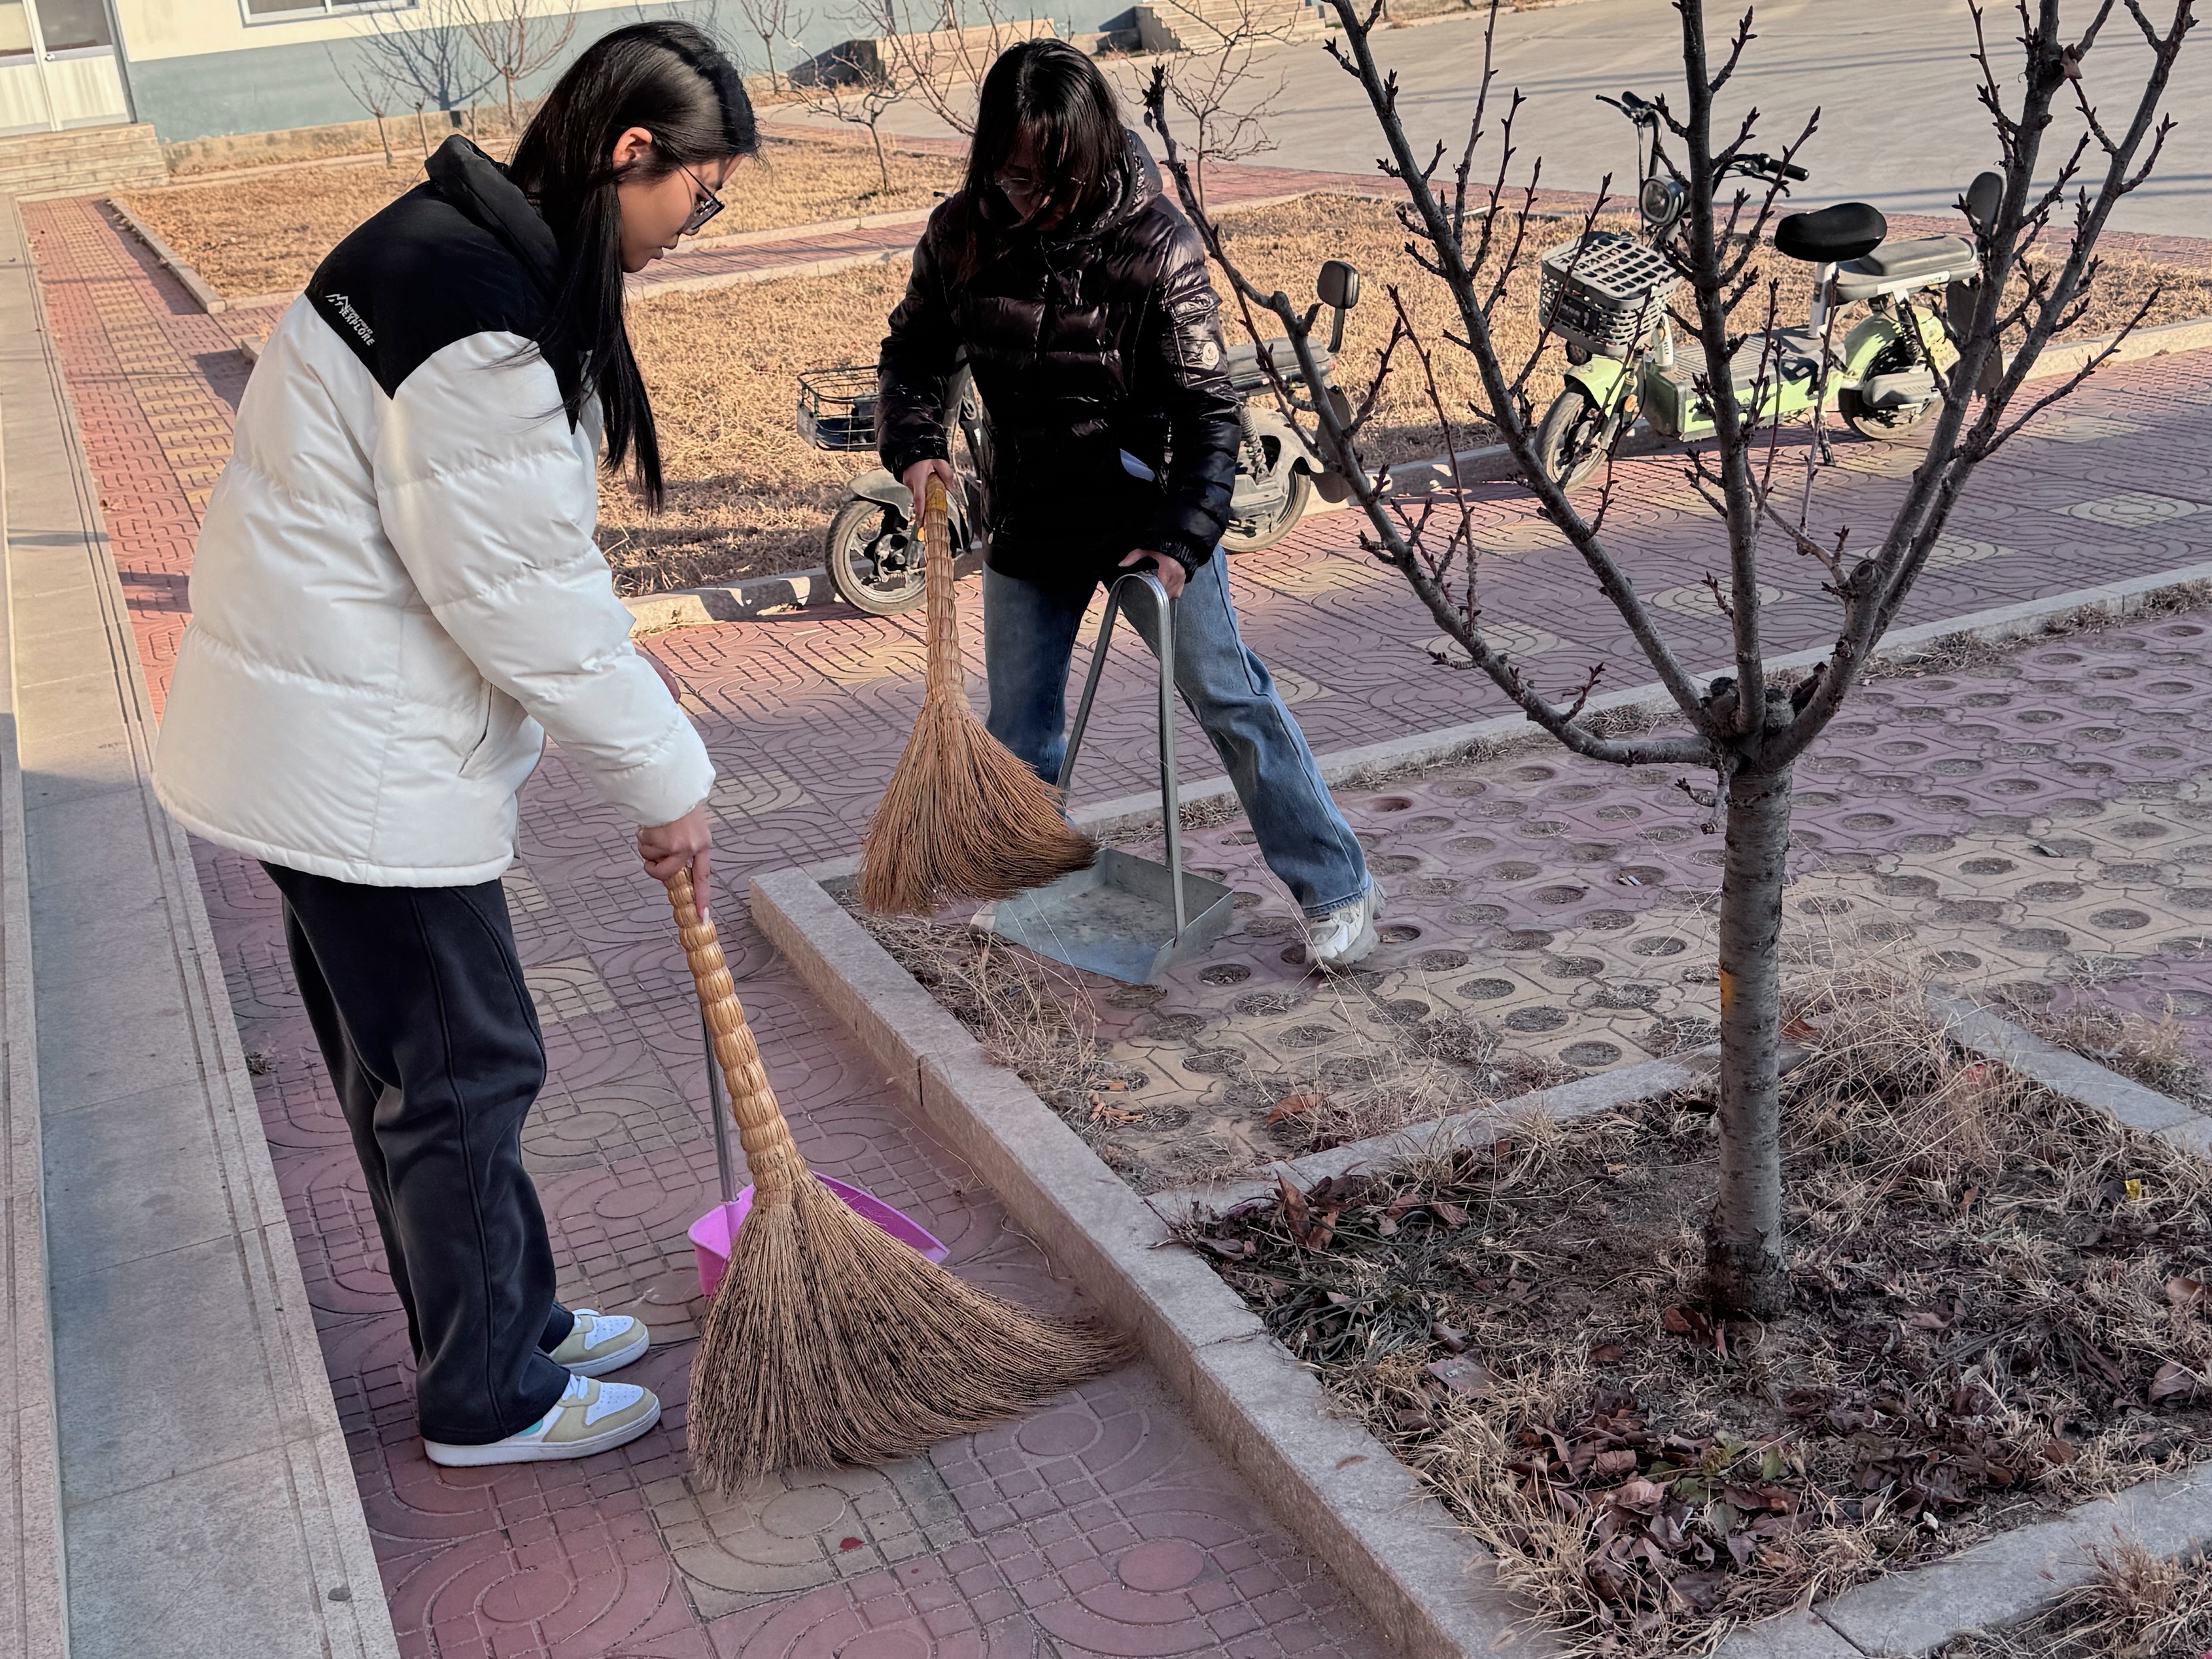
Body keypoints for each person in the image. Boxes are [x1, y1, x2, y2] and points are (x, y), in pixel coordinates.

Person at [152, 23, 753, 1467]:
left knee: (412, 1068)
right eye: (701, 195)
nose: (697, 224)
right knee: (465, 1067)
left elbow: (512, 560)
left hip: (308, 729)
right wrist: (667, 779)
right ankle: (488, 1396)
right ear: (632, 155)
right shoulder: (475, 319)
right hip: (356, 757)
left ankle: (507, 1316)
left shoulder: (442, 246)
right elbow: (522, 599)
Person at [875, 40, 1378, 968]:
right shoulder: (963, 234)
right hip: (1030, 517)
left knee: (1228, 699)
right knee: (1019, 734)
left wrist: (1184, 541)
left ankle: (1338, 887)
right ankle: (1026, 886)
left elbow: (1208, 412)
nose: (1033, 199)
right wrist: (914, 447)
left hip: (1147, 516)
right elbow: (912, 352)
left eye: (1052, 181)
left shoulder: (1157, 243)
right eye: (1014, 176)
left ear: (1093, 154)